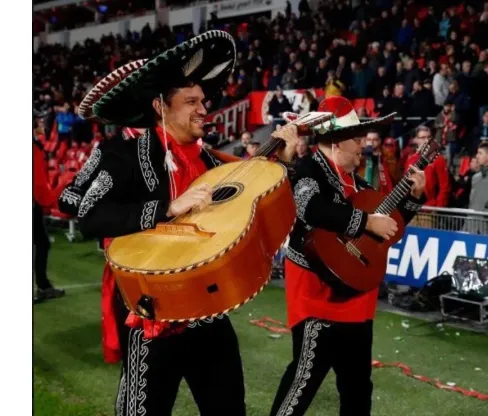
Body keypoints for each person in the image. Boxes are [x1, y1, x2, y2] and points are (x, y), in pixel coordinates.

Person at [60, 31, 300, 416]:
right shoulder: (120, 154)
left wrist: (283, 160)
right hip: (150, 317)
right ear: (160, 106)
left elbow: (255, 200)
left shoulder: (215, 162)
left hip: (209, 312)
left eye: (204, 100)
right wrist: (165, 207)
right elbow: (89, 216)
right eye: (191, 101)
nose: (204, 108)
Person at [270, 96, 426, 416]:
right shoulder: (308, 170)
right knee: (302, 383)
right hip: (317, 298)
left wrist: (413, 200)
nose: (362, 144)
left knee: (357, 389)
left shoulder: (360, 183)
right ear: (338, 142)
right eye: (357, 138)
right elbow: (308, 208)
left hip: (357, 300)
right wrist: (366, 221)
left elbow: (384, 231)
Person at [32, 136, 68, 303]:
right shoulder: (34, 149)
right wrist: (58, 192)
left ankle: (43, 285)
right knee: (41, 244)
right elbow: (39, 187)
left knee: (41, 243)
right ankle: (43, 287)